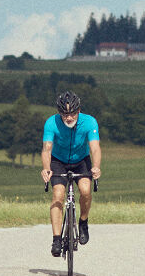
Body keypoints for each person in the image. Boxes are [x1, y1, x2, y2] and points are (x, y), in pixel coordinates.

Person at [40, 90, 101, 257]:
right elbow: (46, 149)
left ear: (79, 111)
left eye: (72, 114)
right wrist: (46, 168)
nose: (68, 118)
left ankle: (83, 222)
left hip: (81, 160)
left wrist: (96, 167)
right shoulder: (51, 123)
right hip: (58, 161)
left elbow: (95, 148)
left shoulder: (89, 122)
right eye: (64, 114)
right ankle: (57, 239)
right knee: (58, 194)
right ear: (59, 113)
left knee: (86, 190)